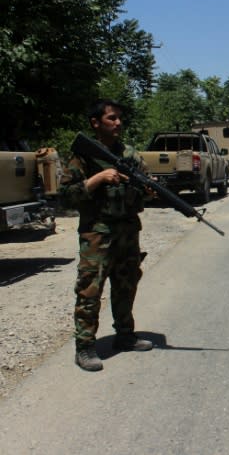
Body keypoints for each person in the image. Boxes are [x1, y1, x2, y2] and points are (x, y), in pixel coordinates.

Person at [59, 99, 153, 371]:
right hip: (97, 234)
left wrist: (150, 190)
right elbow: (66, 197)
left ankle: (125, 335)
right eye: (112, 118)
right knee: (90, 289)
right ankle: (85, 347)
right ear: (96, 123)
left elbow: (146, 183)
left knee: (127, 285)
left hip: (127, 231)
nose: (118, 123)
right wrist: (98, 178)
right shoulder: (83, 155)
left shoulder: (129, 154)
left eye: (119, 118)